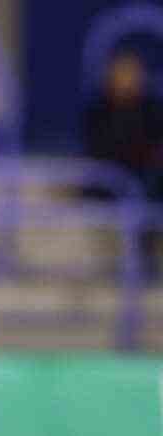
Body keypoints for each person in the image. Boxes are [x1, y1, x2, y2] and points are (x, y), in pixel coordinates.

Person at [83, 50, 163, 278]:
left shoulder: (152, 109)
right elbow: (99, 150)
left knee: (148, 190)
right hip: (109, 181)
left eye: (132, 73)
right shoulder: (98, 110)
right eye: (121, 74)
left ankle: (144, 259)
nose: (127, 79)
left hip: (146, 181)